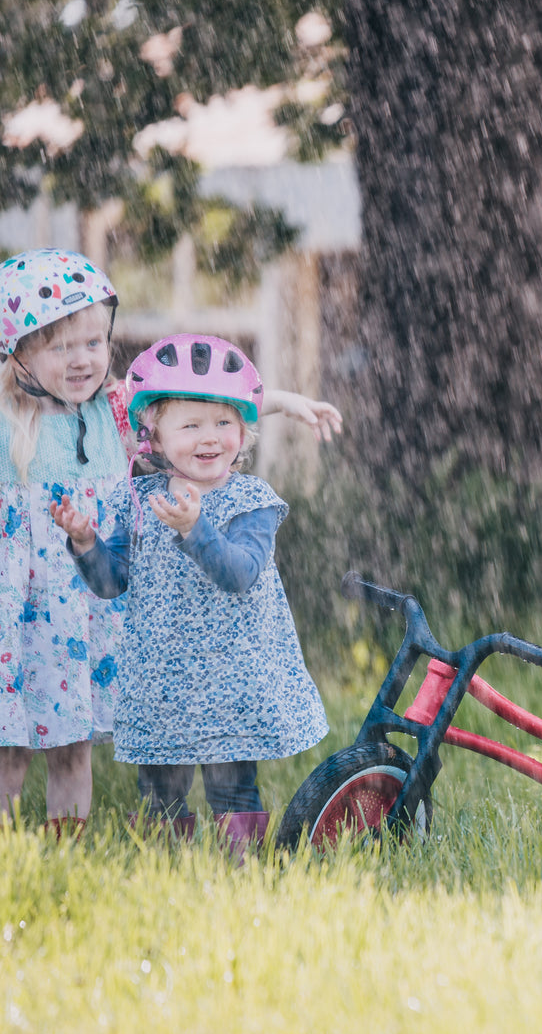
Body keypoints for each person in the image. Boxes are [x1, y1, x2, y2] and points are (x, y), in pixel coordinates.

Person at [0, 249, 339, 838]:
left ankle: (69, 849)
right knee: (10, 747)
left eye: (94, 343)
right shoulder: (9, 417)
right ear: (19, 352)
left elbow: (205, 405)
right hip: (25, 607)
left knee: (75, 743)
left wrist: (286, 403)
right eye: (61, 347)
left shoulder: (115, 412)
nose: (83, 360)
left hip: (91, 603)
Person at [52, 334, 329, 856]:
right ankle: (164, 873)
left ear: (245, 430)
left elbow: (240, 573)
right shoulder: (139, 499)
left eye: (224, 422)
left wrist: (196, 527)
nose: (210, 437)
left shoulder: (251, 502)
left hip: (231, 685)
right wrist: (85, 542)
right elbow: (112, 583)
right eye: (191, 424)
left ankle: (237, 873)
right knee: (160, 796)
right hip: (162, 686)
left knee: (232, 791)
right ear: (152, 435)